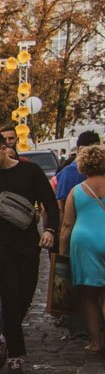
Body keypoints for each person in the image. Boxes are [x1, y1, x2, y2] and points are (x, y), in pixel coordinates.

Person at [0, 129, 60, 374]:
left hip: (27, 241)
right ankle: (15, 356)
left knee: (26, 294)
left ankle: (2, 335)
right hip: (0, 243)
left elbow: (49, 203)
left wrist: (50, 230)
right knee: (9, 295)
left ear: (3, 148)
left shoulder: (29, 171)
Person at [58, 144, 105, 354]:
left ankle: (95, 342)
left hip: (84, 242)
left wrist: (61, 254)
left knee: (89, 295)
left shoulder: (77, 191)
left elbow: (67, 225)